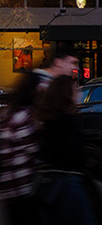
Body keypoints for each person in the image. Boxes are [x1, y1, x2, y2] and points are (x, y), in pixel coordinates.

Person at [35, 75, 102, 225]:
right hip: (69, 182)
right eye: (75, 88)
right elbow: (74, 153)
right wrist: (89, 158)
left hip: (48, 181)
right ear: (67, 93)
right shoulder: (68, 119)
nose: (79, 91)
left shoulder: (48, 119)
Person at [0, 72, 42, 225]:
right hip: (22, 188)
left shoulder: (10, 115)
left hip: (9, 191)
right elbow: (35, 149)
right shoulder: (24, 117)